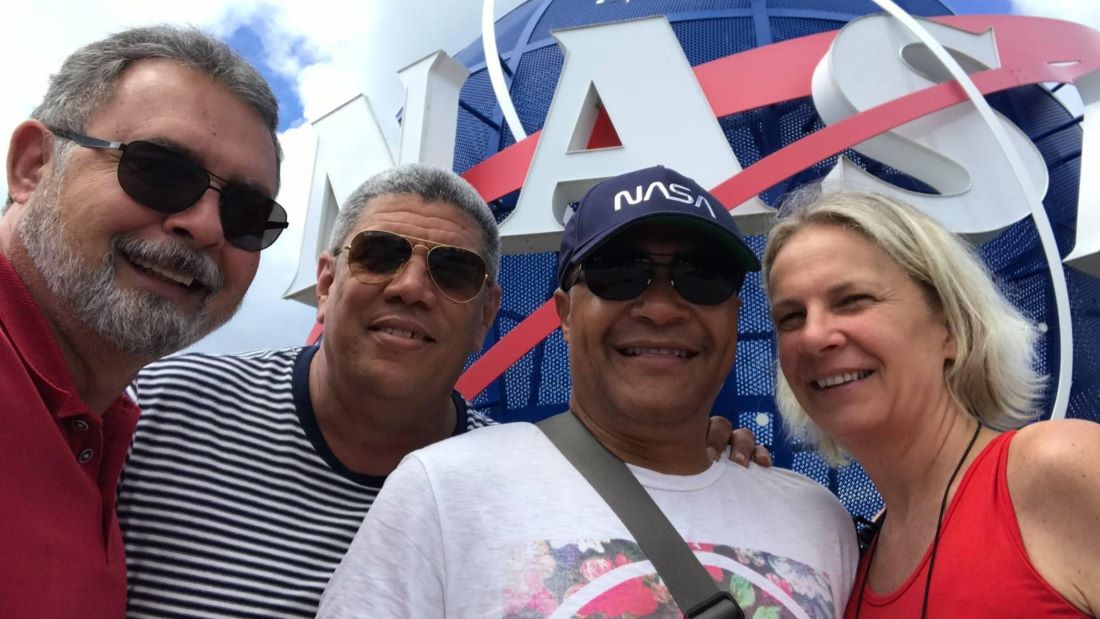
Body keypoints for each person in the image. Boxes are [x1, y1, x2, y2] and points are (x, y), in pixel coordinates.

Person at [117, 163, 766, 618]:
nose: (411, 286)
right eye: (379, 254)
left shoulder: (529, 480)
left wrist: (705, 468)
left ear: (487, 314)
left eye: (453, 269)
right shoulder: (156, 409)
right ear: (326, 280)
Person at [318, 165, 858, 618]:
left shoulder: (820, 519)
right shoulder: (441, 490)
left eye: (703, 276)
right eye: (618, 272)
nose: (662, 307)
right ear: (565, 314)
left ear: (735, 316)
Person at [0, 25, 285, 618]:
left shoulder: (115, 434)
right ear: (32, 167)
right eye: (159, 171)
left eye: (247, 213)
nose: (205, 226)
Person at [761, 188, 1100, 617]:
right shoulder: (856, 555)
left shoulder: (1057, 469)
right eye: (791, 317)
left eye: (852, 301)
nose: (813, 336)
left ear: (951, 328)